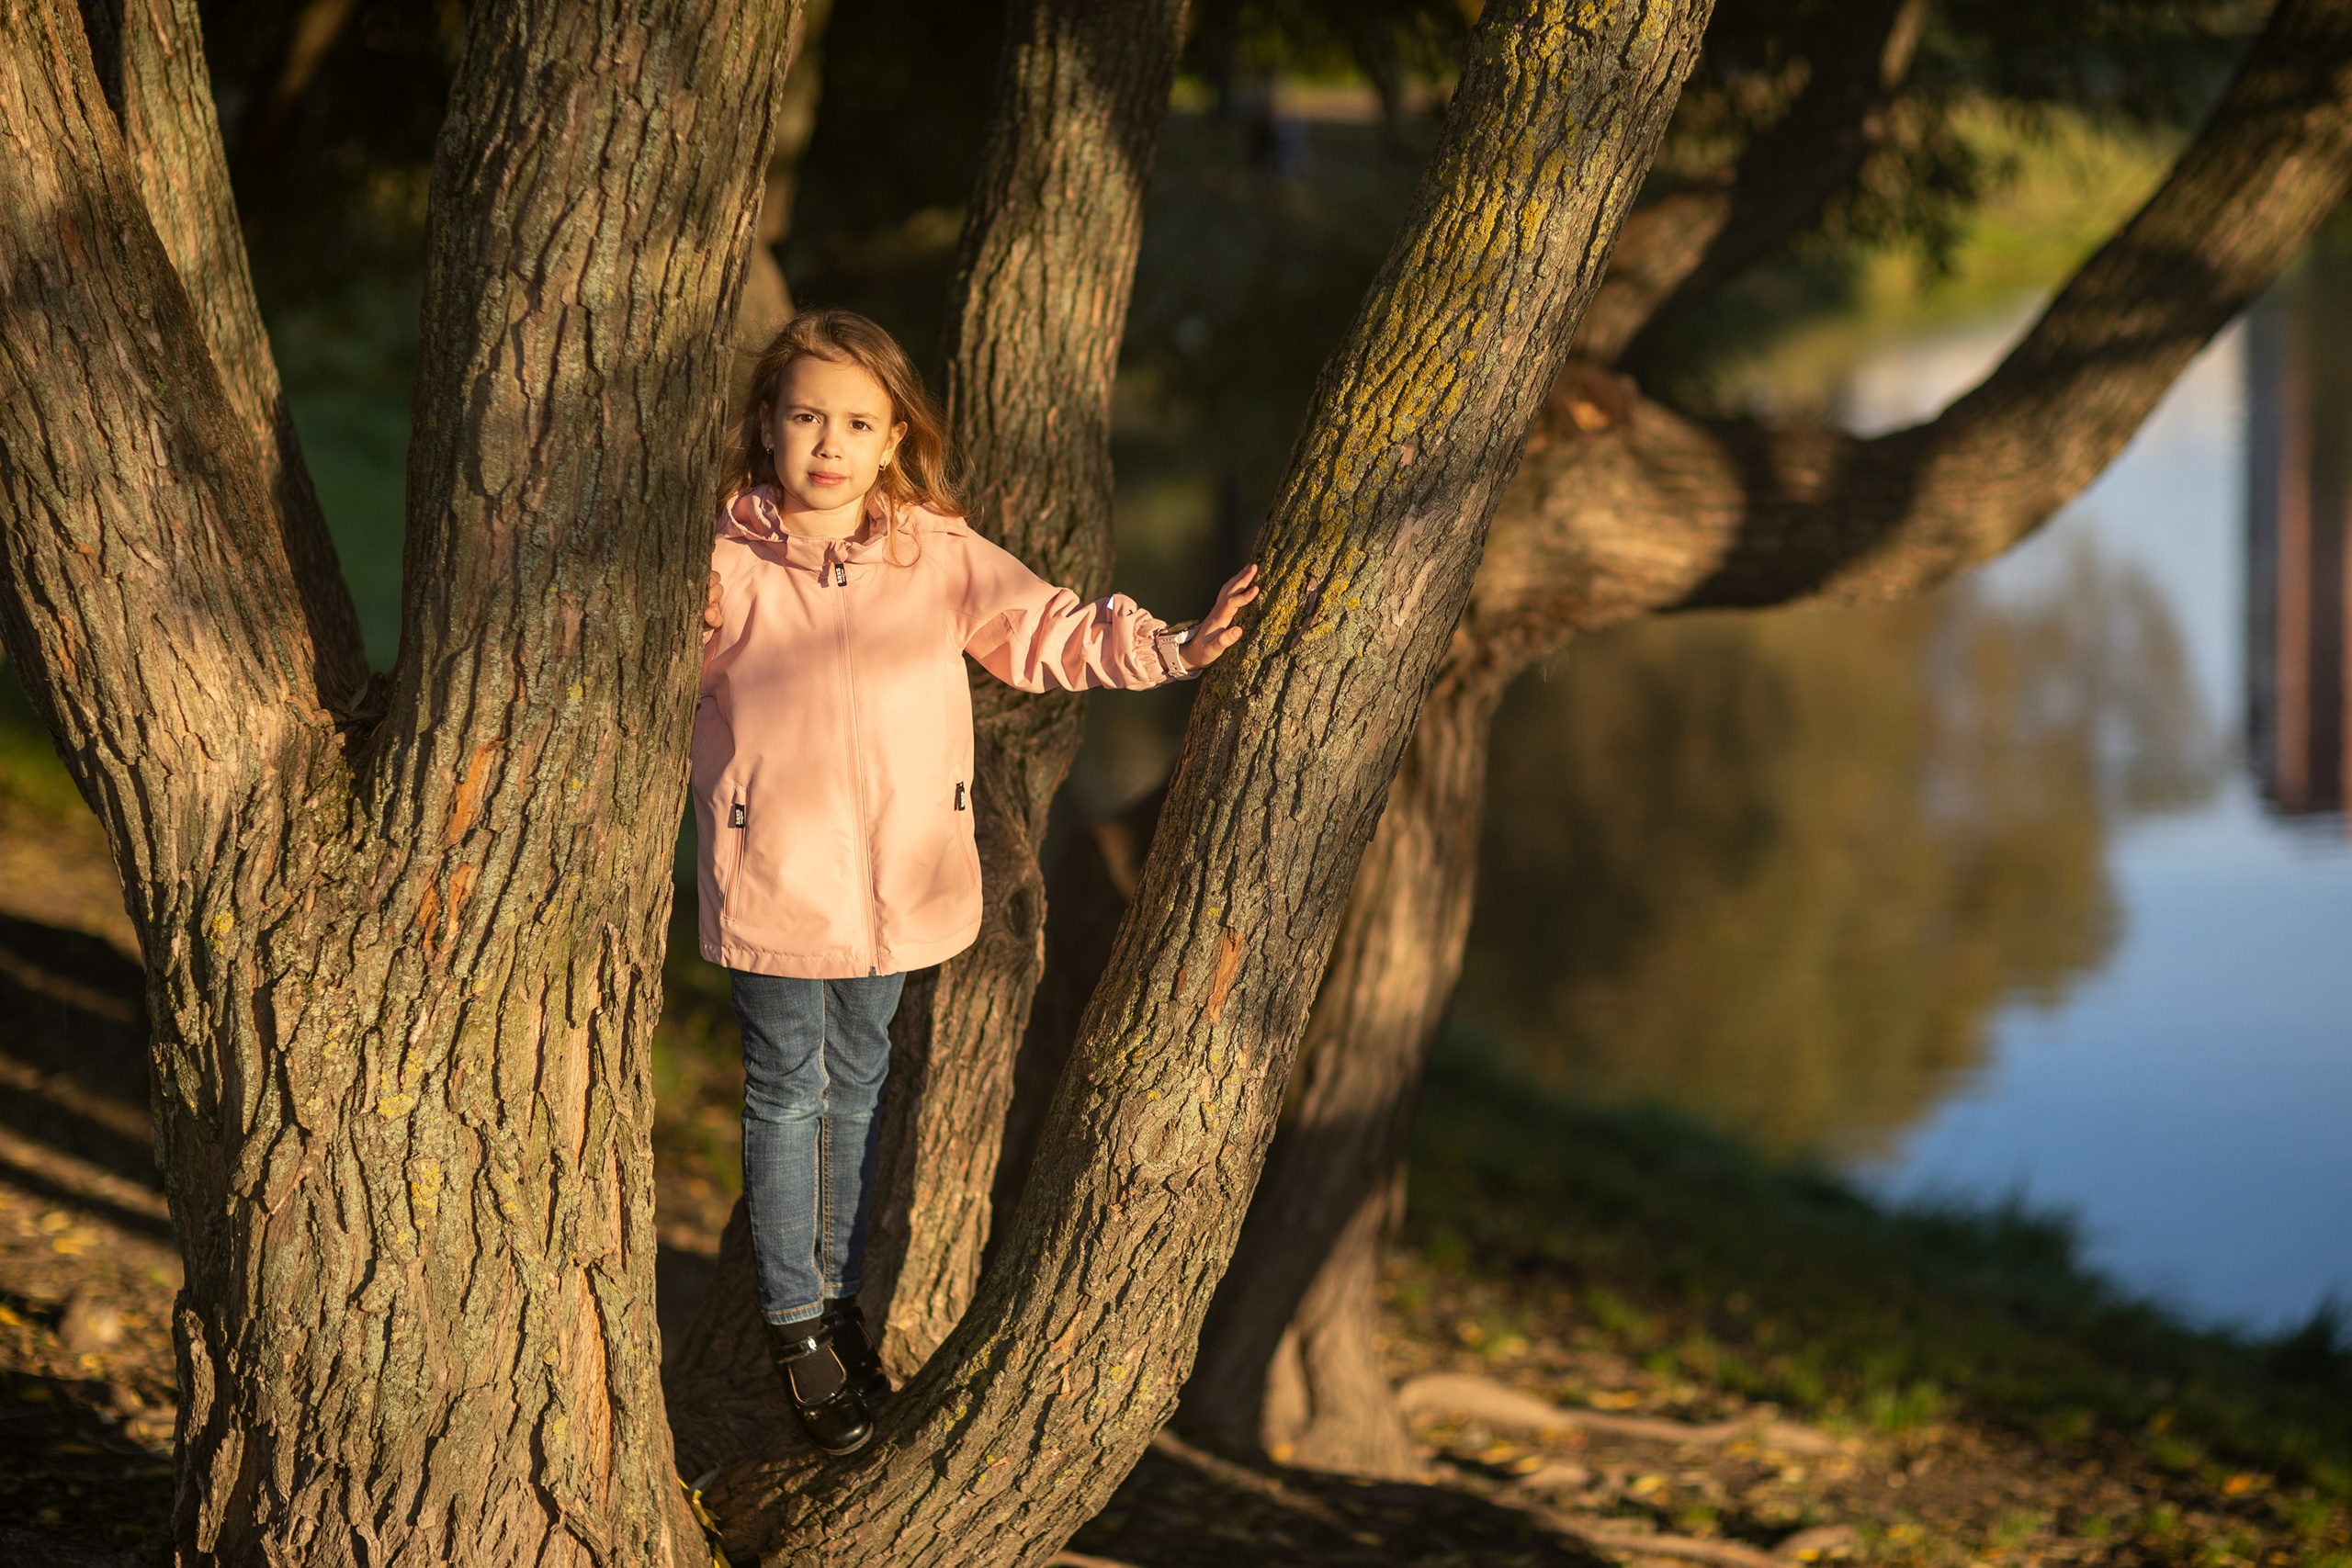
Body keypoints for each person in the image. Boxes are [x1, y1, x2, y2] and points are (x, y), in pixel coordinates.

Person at [694, 309, 1258, 1455]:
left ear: (894, 436)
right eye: (806, 417)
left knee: (856, 1090)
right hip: (776, 879)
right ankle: (797, 1325)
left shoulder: (934, 554)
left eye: (857, 421)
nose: (829, 443)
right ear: (766, 426)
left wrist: (1178, 646)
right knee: (785, 1092)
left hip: (900, 888)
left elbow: (1048, 630)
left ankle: (834, 1296)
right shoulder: (720, 561)